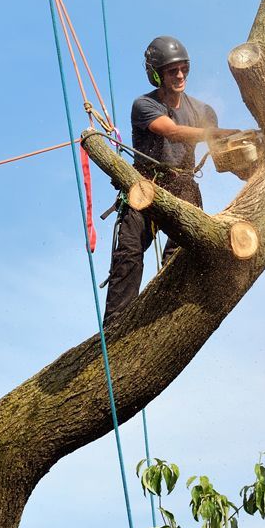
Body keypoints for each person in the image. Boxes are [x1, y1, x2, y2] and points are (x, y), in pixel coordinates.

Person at [103, 35, 220, 324]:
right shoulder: (144, 105)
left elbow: (224, 156)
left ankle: (169, 314)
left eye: (184, 69)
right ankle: (115, 325)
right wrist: (215, 134)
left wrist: (247, 148)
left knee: (184, 253)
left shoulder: (202, 112)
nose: (180, 75)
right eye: (172, 70)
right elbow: (172, 131)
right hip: (146, 186)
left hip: (182, 185)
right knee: (128, 254)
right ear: (157, 74)